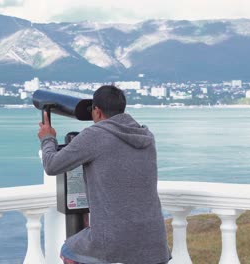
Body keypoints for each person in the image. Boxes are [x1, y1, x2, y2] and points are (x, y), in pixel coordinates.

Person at [38, 85, 171, 264]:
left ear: (97, 112)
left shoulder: (95, 135)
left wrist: (47, 138)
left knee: (67, 251)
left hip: (115, 242)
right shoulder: (146, 135)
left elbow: (51, 165)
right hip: (154, 243)